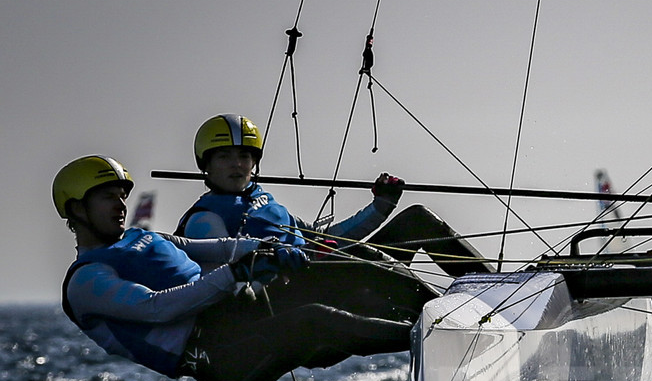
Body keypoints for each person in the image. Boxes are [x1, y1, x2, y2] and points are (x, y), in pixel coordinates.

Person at [56, 154, 419, 381]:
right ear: (76, 208)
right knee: (313, 321)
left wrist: (263, 249)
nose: (120, 206)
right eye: (107, 198)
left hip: (245, 315)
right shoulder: (86, 281)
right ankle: (428, 338)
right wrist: (236, 274)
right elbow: (156, 308)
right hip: (219, 359)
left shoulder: (144, 236)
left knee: (344, 269)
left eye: (122, 196)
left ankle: (450, 315)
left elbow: (214, 247)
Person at [179, 114, 478, 279]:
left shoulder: (266, 201)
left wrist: (381, 206)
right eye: (224, 157)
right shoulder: (205, 219)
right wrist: (267, 260)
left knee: (419, 219)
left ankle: (494, 289)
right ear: (204, 164)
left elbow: (325, 239)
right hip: (297, 297)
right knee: (365, 257)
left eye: (244, 155)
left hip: (334, 273)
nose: (237, 164)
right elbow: (218, 279)